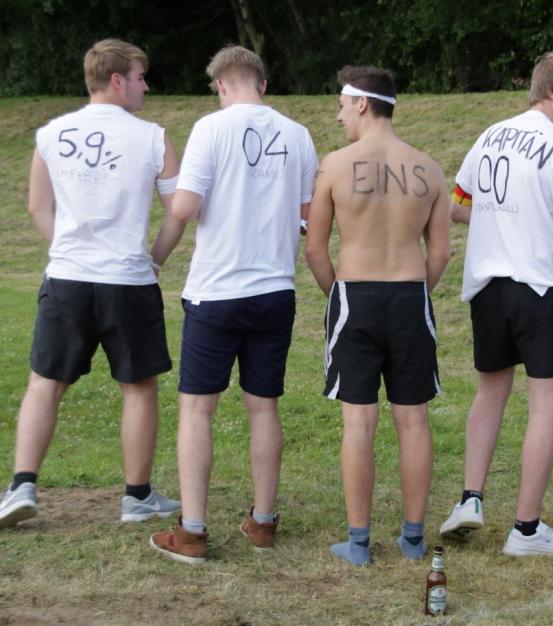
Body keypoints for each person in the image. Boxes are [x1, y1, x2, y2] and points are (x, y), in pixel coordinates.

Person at [0, 39, 185, 529]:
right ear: (117, 80)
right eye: (141, 77)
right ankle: (137, 497)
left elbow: (37, 207)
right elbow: (180, 210)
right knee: (138, 388)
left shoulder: (51, 133)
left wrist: (68, 248)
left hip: (68, 278)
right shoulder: (152, 137)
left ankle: (21, 486)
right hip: (128, 281)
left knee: (45, 382)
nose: (146, 86)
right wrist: (155, 260)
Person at [149, 45, 318, 564]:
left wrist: (158, 245)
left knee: (197, 409)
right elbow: (309, 217)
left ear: (220, 85)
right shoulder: (298, 134)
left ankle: (193, 531)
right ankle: (263, 522)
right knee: (263, 406)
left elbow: (184, 207)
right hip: (275, 289)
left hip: (217, 290)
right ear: (262, 84)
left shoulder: (210, 128)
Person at [439, 51, 553, 556]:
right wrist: (535, 223)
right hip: (542, 288)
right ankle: (526, 530)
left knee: (490, 393)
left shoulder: (491, 134)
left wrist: (504, 218)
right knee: (545, 406)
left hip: (489, 289)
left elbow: (457, 205)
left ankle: (470, 499)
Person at [305, 66, 450, 566]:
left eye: (342, 106)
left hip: (354, 296)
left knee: (358, 422)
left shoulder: (334, 166)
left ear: (362, 104)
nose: (339, 116)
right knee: (413, 420)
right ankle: (413, 539)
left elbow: (316, 251)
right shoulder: (429, 168)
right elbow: (440, 255)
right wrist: (415, 293)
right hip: (411, 296)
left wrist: (338, 295)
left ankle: (359, 543)